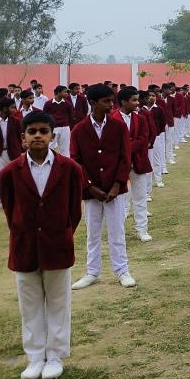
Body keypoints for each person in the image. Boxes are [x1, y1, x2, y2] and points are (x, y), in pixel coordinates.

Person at [0, 111, 84, 379]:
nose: (38, 136)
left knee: (58, 302)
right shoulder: (9, 172)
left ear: (52, 136)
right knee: (30, 304)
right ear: (23, 137)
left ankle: (55, 355)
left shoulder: (70, 169)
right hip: (24, 246)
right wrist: (23, 233)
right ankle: (35, 357)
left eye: (43, 131)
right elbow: (10, 209)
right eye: (32, 131)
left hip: (57, 245)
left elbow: (74, 211)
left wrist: (61, 234)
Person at [69, 84, 136, 290]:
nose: (110, 105)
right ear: (93, 102)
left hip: (114, 190)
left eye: (111, 101)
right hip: (92, 192)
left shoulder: (118, 127)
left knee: (117, 232)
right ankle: (92, 271)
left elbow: (125, 158)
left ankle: (122, 270)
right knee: (93, 233)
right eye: (106, 101)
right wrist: (89, 187)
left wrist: (117, 185)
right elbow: (76, 161)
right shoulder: (79, 130)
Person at [110, 87, 153, 242]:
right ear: (123, 102)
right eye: (134, 100)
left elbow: (143, 139)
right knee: (119, 201)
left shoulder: (140, 118)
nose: (137, 103)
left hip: (138, 163)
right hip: (118, 166)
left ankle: (142, 229)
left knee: (140, 198)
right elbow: (110, 142)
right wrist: (124, 151)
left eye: (137, 99)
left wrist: (126, 149)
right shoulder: (112, 118)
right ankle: (118, 230)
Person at [0, 98, 22, 211]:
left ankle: (16, 199)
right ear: (4, 108)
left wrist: (19, 149)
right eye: (12, 108)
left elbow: (20, 137)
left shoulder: (16, 121)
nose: (14, 110)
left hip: (13, 153)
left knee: (15, 176)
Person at [43, 86, 74, 154]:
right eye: (65, 92)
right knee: (49, 147)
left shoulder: (68, 104)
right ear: (58, 92)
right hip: (52, 128)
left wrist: (68, 126)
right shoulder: (48, 103)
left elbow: (71, 117)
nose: (67, 93)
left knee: (65, 149)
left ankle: (65, 161)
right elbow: (44, 116)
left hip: (64, 128)